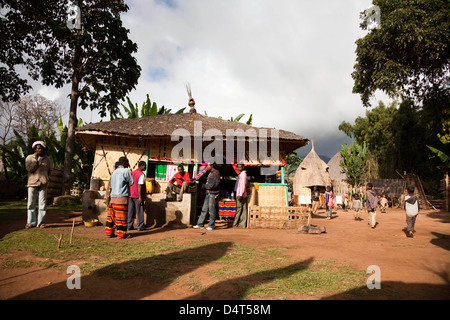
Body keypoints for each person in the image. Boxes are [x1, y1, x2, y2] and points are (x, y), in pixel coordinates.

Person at [25, 141, 52, 229]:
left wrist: (48, 178)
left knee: (42, 204)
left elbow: (50, 170)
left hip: (43, 183)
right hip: (32, 183)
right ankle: (30, 222)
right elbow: (29, 169)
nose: (39, 149)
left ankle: (41, 223)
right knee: (31, 204)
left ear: (44, 149)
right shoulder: (30, 158)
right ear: (35, 149)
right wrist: (36, 161)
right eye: (38, 148)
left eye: (41, 148)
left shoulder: (47, 159)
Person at [105, 156, 134, 239]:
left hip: (113, 198)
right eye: (127, 162)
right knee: (121, 217)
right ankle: (121, 234)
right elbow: (131, 182)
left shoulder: (114, 172)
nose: (128, 164)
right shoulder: (126, 171)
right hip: (121, 198)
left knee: (111, 217)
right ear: (124, 163)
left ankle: (109, 233)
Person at [193, 163, 220, 230]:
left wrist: (204, 186)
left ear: (212, 166)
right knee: (204, 209)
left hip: (212, 194)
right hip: (208, 193)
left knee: (211, 210)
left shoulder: (216, 173)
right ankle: (200, 224)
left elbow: (213, 185)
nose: (206, 167)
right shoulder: (210, 172)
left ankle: (211, 225)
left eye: (208, 165)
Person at [128, 161, 146, 232]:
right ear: (142, 166)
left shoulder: (132, 173)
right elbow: (139, 185)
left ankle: (129, 225)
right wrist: (140, 197)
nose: (145, 167)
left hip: (130, 194)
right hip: (137, 195)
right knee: (139, 211)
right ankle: (140, 226)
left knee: (130, 210)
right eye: (145, 166)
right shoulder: (141, 174)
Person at [232, 164, 249, 228]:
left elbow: (242, 185)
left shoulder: (243, 175)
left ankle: (235, 224)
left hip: (240, 194)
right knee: (243, 209)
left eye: (240, 167)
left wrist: (240, 194)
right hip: (242, 194)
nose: (239, 168)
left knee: (239, 209)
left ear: (243, 167)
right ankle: (242, 224)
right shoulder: (241, 174)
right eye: (238, 167)